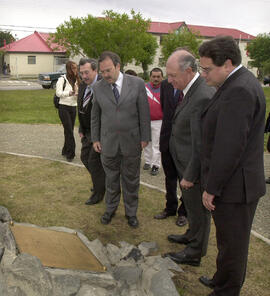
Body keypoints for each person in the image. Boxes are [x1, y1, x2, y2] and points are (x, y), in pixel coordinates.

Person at [198, 36, 266, 296]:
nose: (204, 75)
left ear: (227, 64)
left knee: (234, 245)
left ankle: (227, 290)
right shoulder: (236, 82)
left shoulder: (239, 89)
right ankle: (221, 278)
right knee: (226, 241)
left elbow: (229, 147)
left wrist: (211, 188)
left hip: (236, 188)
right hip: (235, 184)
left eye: (207, 69)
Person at [163, 48, 215, 266]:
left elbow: (201, 144)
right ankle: (191, 235)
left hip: (194, 169)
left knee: (199, 209)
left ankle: (194, 253)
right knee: (192, 207)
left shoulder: (202, 95)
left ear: (189, 71)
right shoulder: (191, 89)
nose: (169, 80)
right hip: (185, 163)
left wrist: (190, 175)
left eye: (173, 75)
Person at [91, 51, 151, 228]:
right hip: (108, 143)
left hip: (132, 142)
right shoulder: (98, 87)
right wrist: (95, 138)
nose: (105, 75)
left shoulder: (137, 84)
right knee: (111, 180)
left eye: (108, 70)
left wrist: (145, 137)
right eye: (102, 72)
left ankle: (131, 213)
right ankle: (110, 209)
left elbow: (144, 113)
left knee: (131, 180)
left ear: (118, 66)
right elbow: (95, 116)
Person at [154, 78, 188, 227]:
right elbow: (165, 108)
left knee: (185, 180)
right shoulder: (166, 85)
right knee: (170, 177)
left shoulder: (193, 86)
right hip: (167, 139)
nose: (171, 77)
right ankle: (170, 208)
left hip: (184, 143)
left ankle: (184, 212)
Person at [77, 58, 106, 205]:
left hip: (100, 132)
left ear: (95, 70)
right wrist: (81, 128)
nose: (84, 76)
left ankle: (98, 193)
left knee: (94, 162)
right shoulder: (83, 86)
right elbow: (81, 107)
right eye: (81, 73)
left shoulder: (104, 86)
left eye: (87, 72)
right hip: (87, 131)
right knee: (84, 157)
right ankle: (100, 182)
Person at [56, 61, 80, 162]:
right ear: (68, 69)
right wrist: (69, 93)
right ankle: (71, 154)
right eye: (73, 68)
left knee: (68, 130)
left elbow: (77, 95)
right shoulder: (62, 79)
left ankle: (65, 150)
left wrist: (77, 94)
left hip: (73, 107)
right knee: (69, 130)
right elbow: (58, 93)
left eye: (76, 68)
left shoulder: (77, 80)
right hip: (63, 107)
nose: (75, 70)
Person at [143, 68, 163, 176]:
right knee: (146, 142)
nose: (156, 79)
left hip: (159, 121)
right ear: (150, 77)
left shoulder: (165, 88)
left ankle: (155, 165)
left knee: (156, 144)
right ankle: (148, 161)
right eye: (154, 76)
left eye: (158, 76)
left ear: (162, 77)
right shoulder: (144, 88)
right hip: (146, 120)